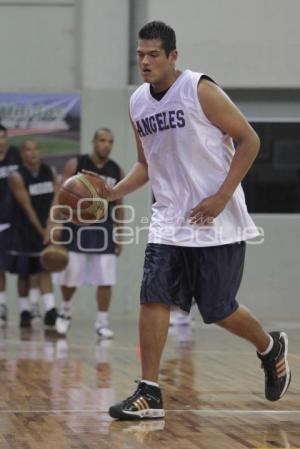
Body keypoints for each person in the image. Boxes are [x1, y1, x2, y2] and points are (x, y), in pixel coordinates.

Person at [103, 21, 291, 420]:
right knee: (154, 296)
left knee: (218, 309)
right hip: (169, 217)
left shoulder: (198, 89)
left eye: (154, 54)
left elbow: (250, 140)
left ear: (173, 56)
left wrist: (223, 196)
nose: (146, 62)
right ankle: (149, 392)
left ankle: (270, 346)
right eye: (140, 55)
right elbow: (144, 164)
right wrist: (111, 193)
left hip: (215, 218)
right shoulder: (138, 101)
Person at [53, 128, 124, 338]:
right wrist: (55, 224)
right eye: (102, 140)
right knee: (70, 276)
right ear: (93, 141)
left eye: (110, 141)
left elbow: (119, 203)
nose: (106, 144)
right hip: (75, 227)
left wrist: (120, 232)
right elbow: (61, 195)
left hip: (103, 229)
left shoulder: (115, 170)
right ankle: (65, 311)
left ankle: (102, 322)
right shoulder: (77, 164)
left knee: (105, 278)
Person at [7, 139, 58, 328]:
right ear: (22, 154)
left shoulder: (49, 171)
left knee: (44, 268)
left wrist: (52, 224)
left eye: (36, 148)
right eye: (28, 150)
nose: (33, 153)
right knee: (24, 273)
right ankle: (24, 311)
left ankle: (50, 310)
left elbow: (56, 198)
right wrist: (43, 230)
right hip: (24, 230)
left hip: (45, 227)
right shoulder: (17, 176)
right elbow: (27, 208)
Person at [0, 125, 22, 327]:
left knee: (21, 265)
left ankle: (27, 308)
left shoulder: (16, 156)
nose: (1, 141)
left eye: (3, 137)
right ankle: (2, 305)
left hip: (12, 220)